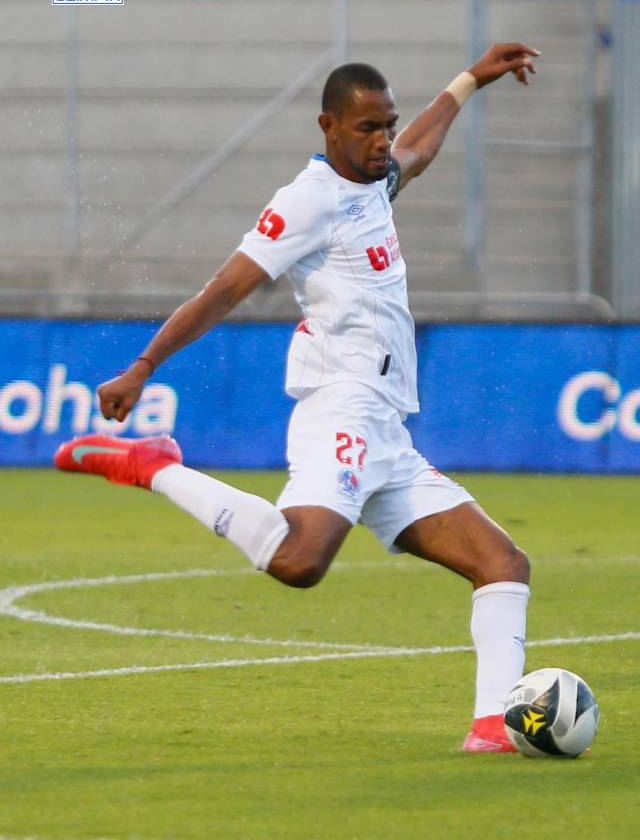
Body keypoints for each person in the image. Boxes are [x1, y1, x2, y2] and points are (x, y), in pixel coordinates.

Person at [54, 44, 542, 754]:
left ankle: (492, 728)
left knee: (503, 564)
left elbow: (421, 150)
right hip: (339, 405)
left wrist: (471, 80)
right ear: (329, 127)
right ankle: (149, 465)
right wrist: (143, 366)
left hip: (386, 431)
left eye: (387, 125)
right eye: (369, 128)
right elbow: (224, 288)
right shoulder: (307, 200)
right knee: (298, 562)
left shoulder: (376, 182)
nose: (383, 142)